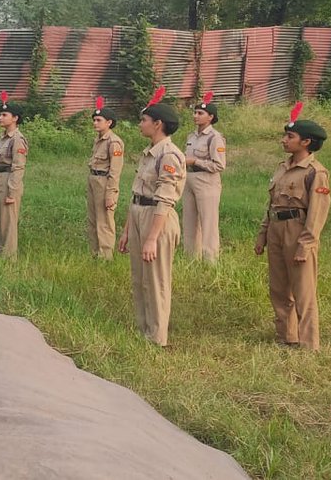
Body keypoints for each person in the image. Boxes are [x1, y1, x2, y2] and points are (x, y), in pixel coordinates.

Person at [255, 104, 330, 351]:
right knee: (279, 287)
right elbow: (272, 203)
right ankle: (287, 336)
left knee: (303, 290)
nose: (284, 140)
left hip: (297, 230)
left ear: (306, 142)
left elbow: (317, 213)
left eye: (290, 137)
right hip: (277, 229)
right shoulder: (282, 167)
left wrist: (305, 245)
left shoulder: (315, 173)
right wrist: (263, 234)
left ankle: (309, 343)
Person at [118, 87, 186, 347]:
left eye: (144, 120)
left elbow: (165, 198)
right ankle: (143, 329)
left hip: (157, 219)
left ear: (158, 124)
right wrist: (126, 230)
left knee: (156, 279)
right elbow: (136, 194)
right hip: (139, 214)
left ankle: (157, 337)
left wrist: (151, 238)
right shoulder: (150, 152)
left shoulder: (169, 155)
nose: (140, 124)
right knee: (139, 278)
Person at [182, 91, 227, 262]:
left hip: (206, 180)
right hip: (190, 178)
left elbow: (219, 165)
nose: (196, 116)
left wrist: (195, 161)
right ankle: (191, 258)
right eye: (195, 112)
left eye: (200, 113)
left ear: (210, 117)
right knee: (189, 220)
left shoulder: (215, 138)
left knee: (208, 221)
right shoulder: (191, 136)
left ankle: (210, 260)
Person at [86, 97, 125, 260]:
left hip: (104, 182)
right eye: (94, 120)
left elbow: (115, 171)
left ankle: (106, 255)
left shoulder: (114, 142)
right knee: (93, 220)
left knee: (104, 221)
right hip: (94, 179)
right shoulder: (98, 140)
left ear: (109, 122)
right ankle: (95, 253)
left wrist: (111, 194)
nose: (95, 123)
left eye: (99, 120)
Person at [0, 91, 28, 258]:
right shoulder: (3, 138)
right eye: (0, 114)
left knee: (8, 221)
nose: (0, 117)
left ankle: (9, 256)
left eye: (4, 115)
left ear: (15, 118)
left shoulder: (17, 139)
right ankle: (0, 252)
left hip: (9, 180)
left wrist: (12, 191)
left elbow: (18, 167)